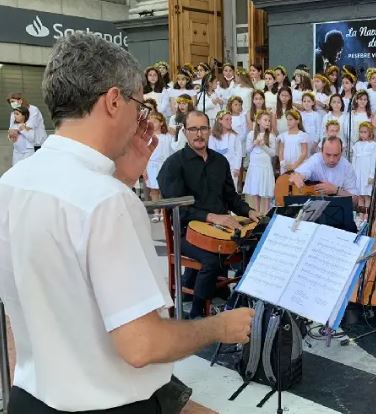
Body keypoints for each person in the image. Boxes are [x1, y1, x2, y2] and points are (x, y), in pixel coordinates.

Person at [0, 33, 253, 413]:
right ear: (114, 101)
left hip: (34, 397)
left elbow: (45, 296)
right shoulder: (106, 201)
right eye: (139, 104)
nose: (141, 118)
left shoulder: (12, 182)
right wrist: (220, 327)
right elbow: (142, 345)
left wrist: (119, 179)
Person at [159, 110, 259, 319]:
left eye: (203, 128)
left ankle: (238, 301)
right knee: (211, 260)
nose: (198, 134)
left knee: (254, 245)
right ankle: (197, 314)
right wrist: (212, 217)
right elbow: (178, 210)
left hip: (220, 230)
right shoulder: (174, 165)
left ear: (209, 130)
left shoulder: (220, 162)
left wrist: (250, 211)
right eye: (193, 129)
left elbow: (231, 198)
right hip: (186, 233)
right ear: (185, 132)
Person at [289, 135, 358, 199]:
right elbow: (303, 172)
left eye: (336, 155)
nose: (332, 160)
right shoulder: (315, 159)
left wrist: (336, 190)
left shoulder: (347, 167)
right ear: (321, 151)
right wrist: (299, 176)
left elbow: (355, 200)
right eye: (328, 155)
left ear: (342, 152)